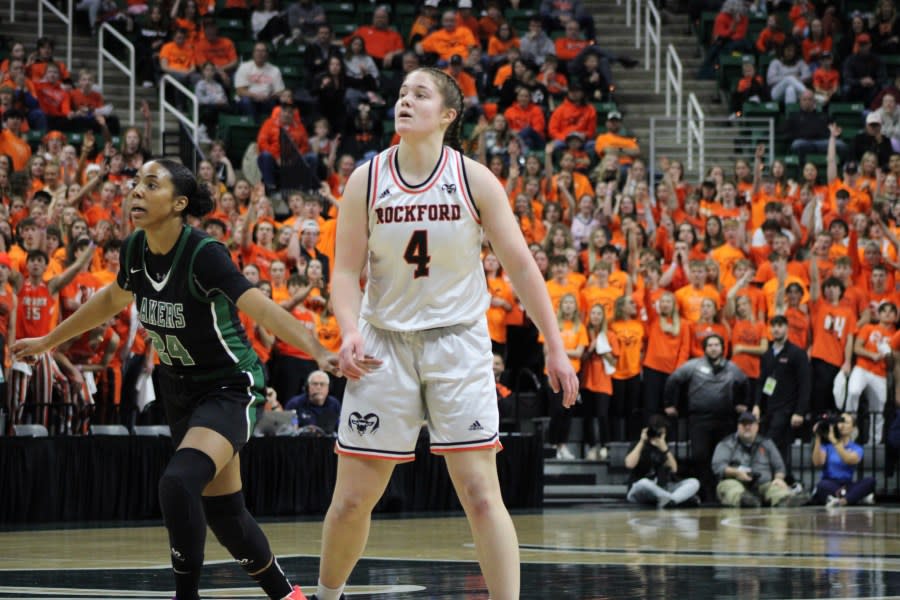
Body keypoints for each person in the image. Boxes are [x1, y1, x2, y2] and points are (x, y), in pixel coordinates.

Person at [11, 159, 355, 600]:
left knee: (177, 483)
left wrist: (320, 350)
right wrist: (49, 341)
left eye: (150, 184)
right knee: (227, 516)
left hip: (229, 385)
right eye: (136, 183)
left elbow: (262, 309)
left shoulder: (203, 254)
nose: (136, 191)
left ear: (178, 203)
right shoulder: (135, 249)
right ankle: (289, 596)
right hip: (179, 390)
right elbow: (112, 299)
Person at [316, 66, 579, 600]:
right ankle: (326, 595)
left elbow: (522, 267)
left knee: (482, 496)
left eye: (420, 94)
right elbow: (344, 273)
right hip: (383, 343)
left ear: (449, 114)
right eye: (402, 93)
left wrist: (555, 345)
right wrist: (348, 332)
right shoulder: (365, 180)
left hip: (456, 342)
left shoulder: (475, 180)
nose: (405, 101)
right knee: (350, 500)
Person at [663, 334, 749, 501]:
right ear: (705, 349)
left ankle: (723, 493)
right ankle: (705, 493)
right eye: (710, 345)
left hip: (725, 419)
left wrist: (742, 403)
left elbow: (745, 383)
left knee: (724, 458)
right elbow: (673, 379)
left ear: (722, 348)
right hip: (699, 419)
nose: (713, 348)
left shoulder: (732, 368)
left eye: (717, 345)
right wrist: (669, 404)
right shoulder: (694, 365)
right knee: (700, 456)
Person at [711, 411, 810, 507]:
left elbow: (779, 467)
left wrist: (778, 479)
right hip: (735, 481)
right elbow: (718, 467)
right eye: (743, 424)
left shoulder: (767, 443)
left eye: (751, 424)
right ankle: (744, 501)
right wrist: (736, 473)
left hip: (763, 484)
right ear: (738, 426)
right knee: (730, 487)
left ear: (757, 427)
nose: (747, 427)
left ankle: (787, 499)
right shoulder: (726, 444)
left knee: (776, 488)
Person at [757, 315, 810, 483]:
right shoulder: (767, 354)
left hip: (787, 408)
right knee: (776, 447)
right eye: (773, 326)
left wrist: (800, 411)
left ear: (787, 328)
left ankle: (783, 479)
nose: (776, 329)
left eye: (780, 326)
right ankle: (785, 480)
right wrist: (757, 405)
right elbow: (762, 382)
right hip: (769, 408)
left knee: (772, 443)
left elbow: (805, 384)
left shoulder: (797, 353)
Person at [624, 414, 700, 508]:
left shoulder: (663, 448)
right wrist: (642, 441)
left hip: (661, 489)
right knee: (644, 483)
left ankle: (672, 500)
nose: (656, 436)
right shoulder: (637, 445)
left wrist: (664, 448)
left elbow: (674, 469)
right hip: (641, 490)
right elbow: (629, 464)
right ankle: (675, 500)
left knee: (694, 482)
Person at [810, 412, 876, 507]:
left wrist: (835, 441)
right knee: (822, 485)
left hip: (847, 484)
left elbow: (848, 459)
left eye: (846, 422)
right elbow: (817, 462)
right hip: (830, 483)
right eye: (840, 422)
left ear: (853, 428)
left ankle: (841, 500)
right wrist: (818, 437)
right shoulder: (827, 446)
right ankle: (853, 498)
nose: (842, 425)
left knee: (870, 481)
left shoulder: (856, 448)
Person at [284, 369, 341, 434]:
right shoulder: (294, 403)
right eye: (315, 384)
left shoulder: (334, 404)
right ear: (308, 386)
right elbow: (285, 429)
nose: (318, 387)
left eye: (322, 384)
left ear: (328, 388)